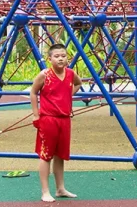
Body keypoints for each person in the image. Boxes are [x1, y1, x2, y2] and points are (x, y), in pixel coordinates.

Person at [30, 44, 83, 202]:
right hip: (48, 119)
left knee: (60, 154)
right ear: (50, 59)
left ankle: (60, 188)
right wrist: (35, 114)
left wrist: (68, 95)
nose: (60, 59)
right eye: (57, 56)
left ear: (67, 58)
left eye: (63, 56)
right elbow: (33, 92)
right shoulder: (45, 75)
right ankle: (45, 191)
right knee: (46, 154)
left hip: (64, 119)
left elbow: (79, 83)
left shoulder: (70, 74)